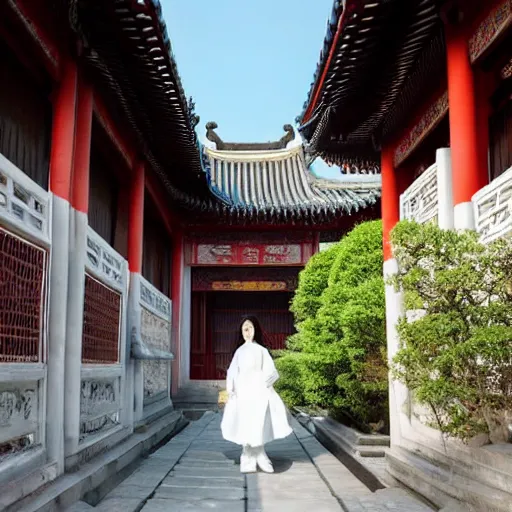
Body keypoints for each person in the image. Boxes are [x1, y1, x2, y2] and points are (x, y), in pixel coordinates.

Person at [221, 315, 293, 473]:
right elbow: (232, 371)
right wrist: (230, 389)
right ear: (241, 331)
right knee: (244, 420)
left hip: (258, 390)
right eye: (245, 329)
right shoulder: (239, 352)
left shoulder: (261, 350)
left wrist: (267, 383)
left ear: (256, 330)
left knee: (259, 420)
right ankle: (247, 454)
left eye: (250, 328)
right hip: (242, 391)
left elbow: (270, 370)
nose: (248, 332)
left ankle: (260, 452)